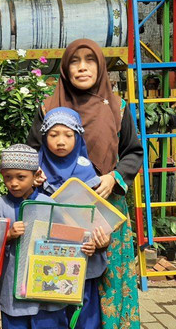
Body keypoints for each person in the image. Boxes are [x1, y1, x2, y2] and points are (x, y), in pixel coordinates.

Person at [26, 38, 143, 328]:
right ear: (65, 69)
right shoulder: (48, 108)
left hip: (105, 207)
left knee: (107, 281)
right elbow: (30, 152)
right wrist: (35, 175)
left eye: (89, 60)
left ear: (101, 66)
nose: (82, 68)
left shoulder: (118, 107)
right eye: (74, 62)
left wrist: (114, 177)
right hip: (56, 207)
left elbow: (133, 151)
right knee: (59, 277)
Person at [37, 107, 111, 328]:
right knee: (49, 308)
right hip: (47, 256)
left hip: (83, 256)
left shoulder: (88, 174)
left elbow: (97, 217)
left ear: (78, 137)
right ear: (44, 136)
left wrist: (100, 241)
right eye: (53, 135)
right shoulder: (35, 172)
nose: (61, 141)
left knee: (84, 309)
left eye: (68, 135)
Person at [0, 144, 68, 328]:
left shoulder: (49, 204)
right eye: (8, 177)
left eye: (21, 177)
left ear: (36, 176)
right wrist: (7, 235)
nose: (13, 183)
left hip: (47, 289)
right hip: (12, 286)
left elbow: (65, 240)